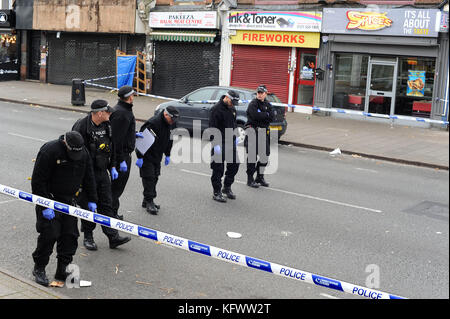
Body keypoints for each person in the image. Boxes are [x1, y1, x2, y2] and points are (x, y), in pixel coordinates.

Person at [31, 131, 98, 286]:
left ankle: (63, 270)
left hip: (69, 202)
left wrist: (92, 199)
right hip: (50, 199)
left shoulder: (83, 152)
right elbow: (38, 181)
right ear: (65, 144)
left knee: (70, 236)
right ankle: (39, 268)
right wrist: (45, 205)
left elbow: (89, 176)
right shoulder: (49, 151)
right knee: (50, 234)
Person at [72, 99, 131, 251]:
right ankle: (88, 237)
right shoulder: (82, 127)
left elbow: (113, 146)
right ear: (99, 113)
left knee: (107, 203)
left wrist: (113, 166)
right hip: (86, 174)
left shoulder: (107, 125)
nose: (110, 113)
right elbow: (76, 153)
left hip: (102, 171)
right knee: (88, 207)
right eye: (107, 111)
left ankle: (113, 237)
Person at [135, 106, 179, 214]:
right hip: (147, 156)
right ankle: (149, 201)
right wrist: (139, 156)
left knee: (155, 177)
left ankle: (146, 201)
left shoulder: (171, 123)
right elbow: (142, 141)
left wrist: (167, 154)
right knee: (149, 178)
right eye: (172, 119)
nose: (173, 122)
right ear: (165, 114)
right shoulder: (153, 123)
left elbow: (170, 140)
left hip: (157, 156)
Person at [109, 85, 137, 220]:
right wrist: (120, 161)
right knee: (117, 187)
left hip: (124, 154)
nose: (134, 96)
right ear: (129, 97)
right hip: (122, 156)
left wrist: (133, 134)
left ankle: (112, 211)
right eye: (132, 94)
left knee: (117, 187)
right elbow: (116, 140)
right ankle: (111, 214)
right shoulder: (122, 113)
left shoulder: (124, 110)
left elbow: (122, 134)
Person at [208, 90, 241, 202]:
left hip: (230, 142)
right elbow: (212, 128)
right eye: (231, 101)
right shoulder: (216, 109)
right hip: (219, 142)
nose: (232, 104)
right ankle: (216, 192)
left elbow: (234, 124)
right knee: (218, 169)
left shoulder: (232, 108)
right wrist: (215, 144)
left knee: (235, 165)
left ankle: (226, 187)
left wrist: (236, 136)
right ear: (226, 97)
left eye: (234, 103)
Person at [245, 85, 276, 188]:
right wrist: (265, 115)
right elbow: (254, 116)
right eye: (258, 92)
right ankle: (250, 179)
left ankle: (260, 176)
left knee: (265, 156)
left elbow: (272, 117)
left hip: (263, 132)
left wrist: (264, 115)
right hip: (253, 131)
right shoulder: (253, 104)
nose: (259, 94)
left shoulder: (268, 104)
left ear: (265, 94)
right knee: (252, 157)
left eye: (261, 93)